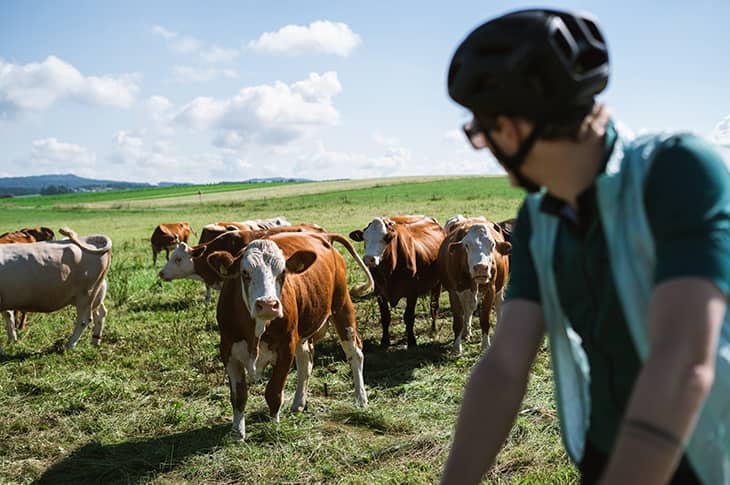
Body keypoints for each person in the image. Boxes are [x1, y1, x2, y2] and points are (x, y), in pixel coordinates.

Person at [440, 8, 730, 485]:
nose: (484, 147)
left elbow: (681, 363)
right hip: (606, 453)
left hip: (704, 458)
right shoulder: (539, 219)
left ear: (510, 129)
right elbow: (505, 365)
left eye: (479, 133)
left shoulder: (676, 172)